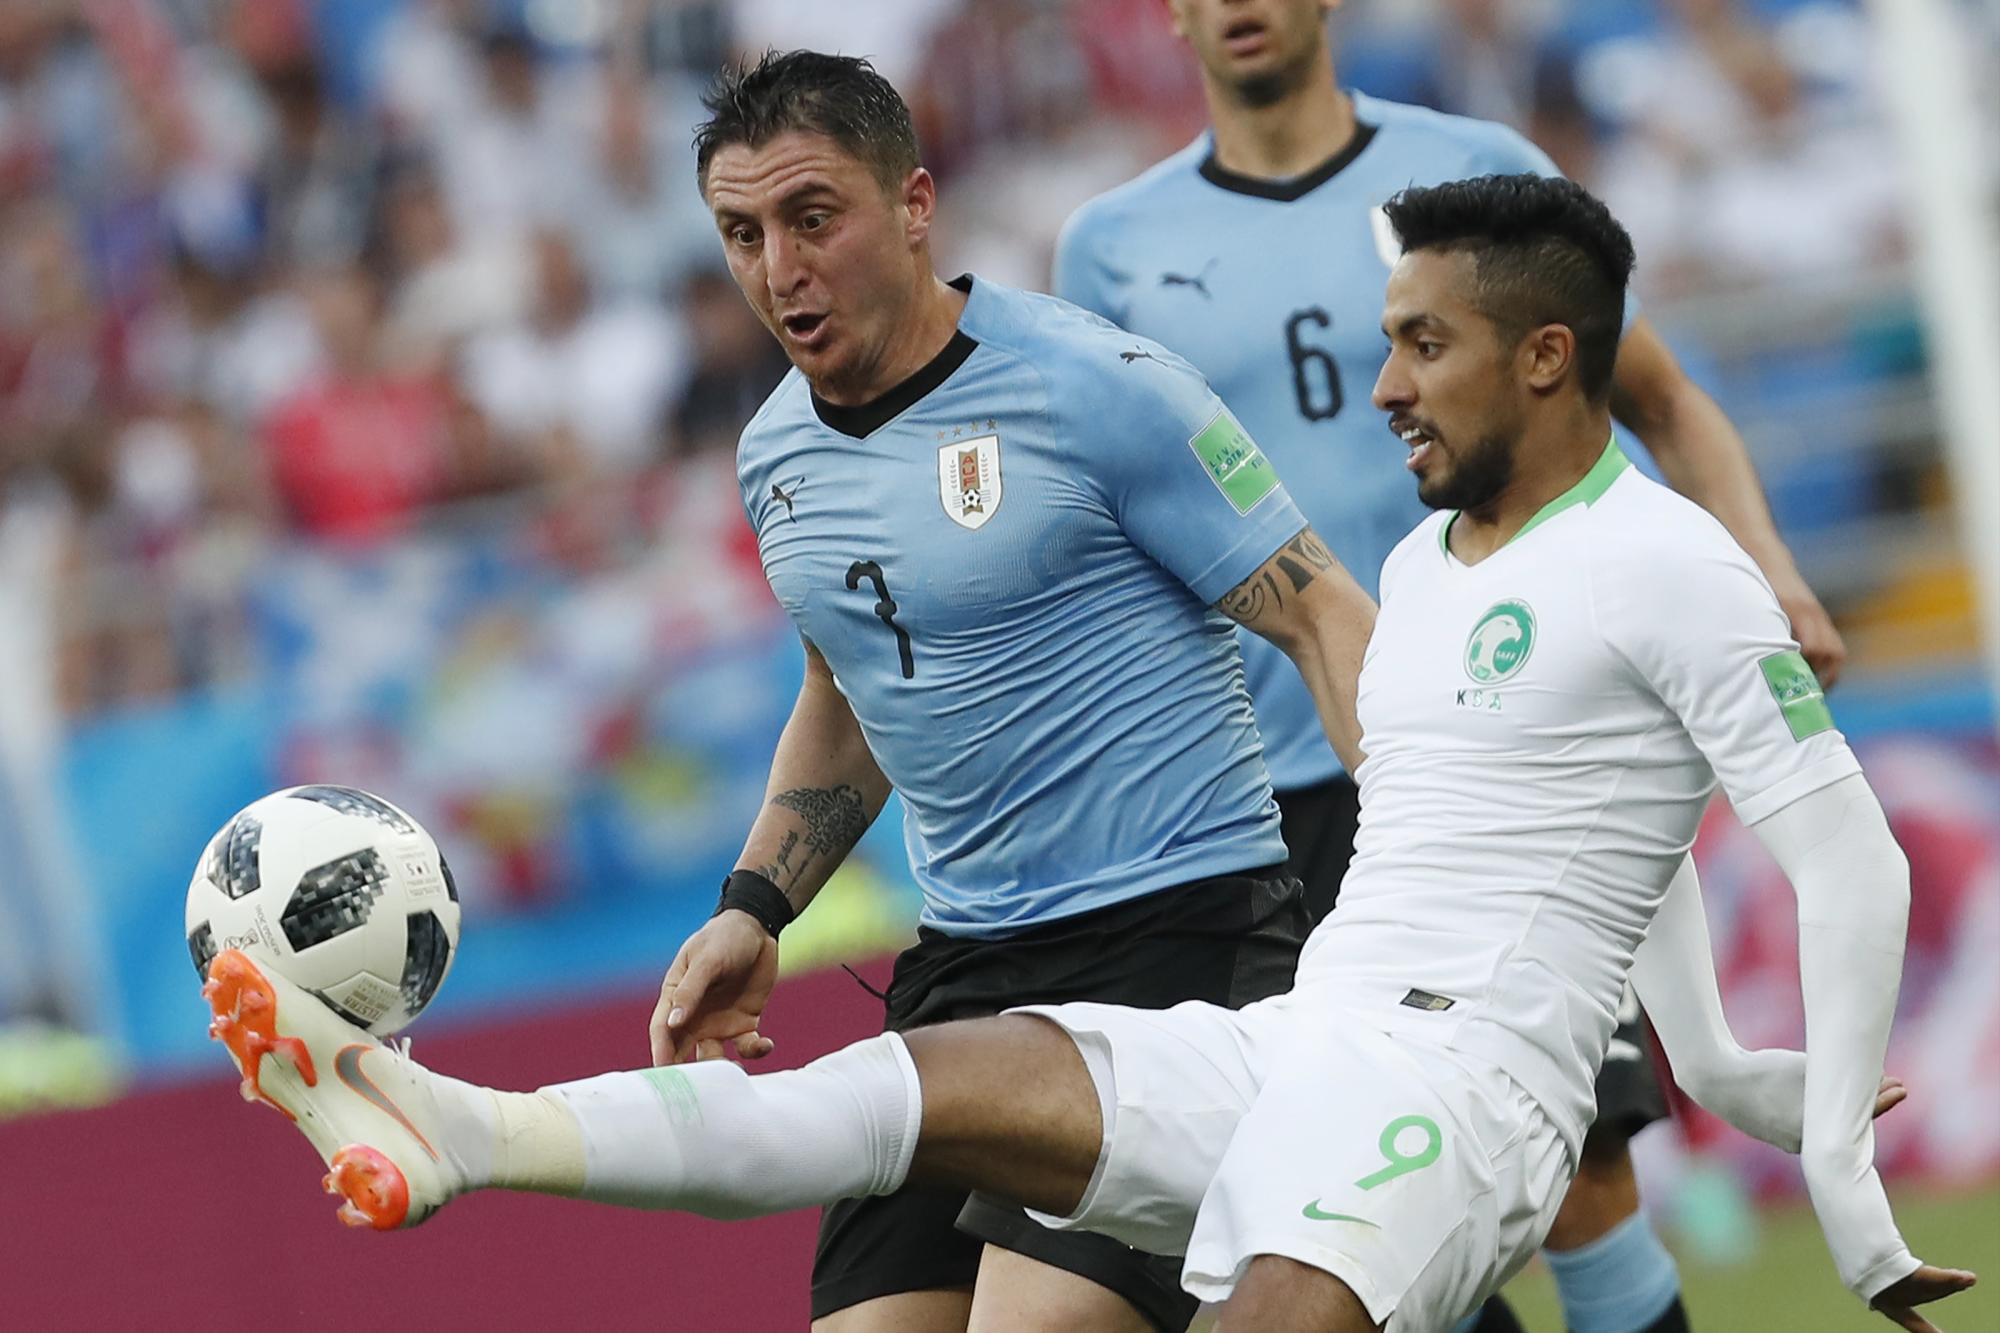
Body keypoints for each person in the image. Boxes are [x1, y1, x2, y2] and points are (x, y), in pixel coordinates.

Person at [199, 171, 1974, 1333]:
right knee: (907, 1091)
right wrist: (1723, 1048)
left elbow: (1851, 854)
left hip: (1464, 1094)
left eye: (1422, 350)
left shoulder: (1673, 561)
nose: (1380, 391)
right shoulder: (1439, 566)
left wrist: (1825, 1143)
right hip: (1304, 1037)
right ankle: (461, 1125)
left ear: (1548, 355)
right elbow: (1605, 832)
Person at [1051, 5, 1849, 1330]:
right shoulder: (1112, 247)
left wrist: (1768, 562)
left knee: (1579, 1171)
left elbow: (1658, 395)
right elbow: (1107, 509)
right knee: (1336, 1192)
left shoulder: (1469, 167)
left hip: (1509, 736)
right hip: (1276, 783)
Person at [684, 49, 1374, 1333]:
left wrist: (1416, 897)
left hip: (1177, 943)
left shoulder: (1097, 388)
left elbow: (1326, 616)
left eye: (810, 217)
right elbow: (849, 697)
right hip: (960, 970)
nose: (777, 268)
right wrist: (754, 907)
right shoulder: (774, 452)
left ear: (911, 204)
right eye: (742, 232)